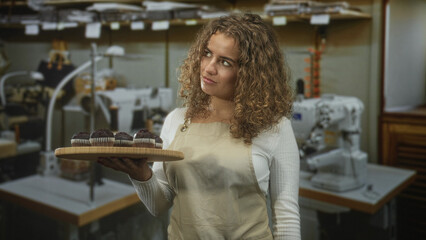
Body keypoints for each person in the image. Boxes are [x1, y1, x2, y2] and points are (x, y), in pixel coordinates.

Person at [98, 13, 300, 240]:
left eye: (225, 62)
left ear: (250, 73)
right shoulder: (177, 120)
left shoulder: (275, 128)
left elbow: (287, 218)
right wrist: (141, 175)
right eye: (207, 54)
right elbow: (159, 205)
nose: (208, 68)